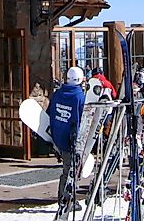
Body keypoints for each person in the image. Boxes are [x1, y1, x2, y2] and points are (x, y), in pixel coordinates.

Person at [48, 66, 86, 210]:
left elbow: (51, 112)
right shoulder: (79, 97)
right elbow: (82, 119)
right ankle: (66, 199)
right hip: (72, 140)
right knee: (72, 170)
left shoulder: (58, 94)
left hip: (58, 137)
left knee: (68, 169)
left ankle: (66, 198)